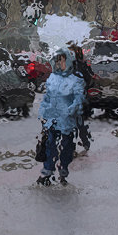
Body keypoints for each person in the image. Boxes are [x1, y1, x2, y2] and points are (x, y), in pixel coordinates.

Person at [36, 47, 86, 186]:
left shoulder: (75, 80)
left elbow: (78, 99)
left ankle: (63, 170)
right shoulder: (52, 79)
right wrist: (42, 114)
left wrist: (71, 110)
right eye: (57, 61)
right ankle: (47, 172)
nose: (60, 64)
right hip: (52, 119)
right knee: (50, 145)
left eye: (62, 61)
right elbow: (47, 98)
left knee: (66, 148)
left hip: (67, 121)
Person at [69, 44, 93, 154]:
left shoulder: (78, 68)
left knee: (76, 122)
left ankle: (80, 143)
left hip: (75, 98)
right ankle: (83, 142)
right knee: (78, 123)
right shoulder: (81, 66)